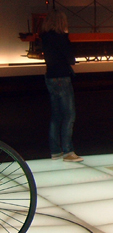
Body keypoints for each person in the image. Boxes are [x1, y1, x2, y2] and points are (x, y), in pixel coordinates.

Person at [41, 10, 83, 162]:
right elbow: (70, 58)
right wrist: (66, 36)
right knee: (69, 115)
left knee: (56, 115)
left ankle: (55, 150)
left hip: (50, 76)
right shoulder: (61, 37)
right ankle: (68, 151)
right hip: (62, 77)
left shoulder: (45, 37)